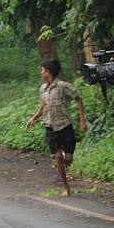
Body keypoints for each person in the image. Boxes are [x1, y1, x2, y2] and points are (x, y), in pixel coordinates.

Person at [25, 58, 87, 197]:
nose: (41, 73)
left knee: (68, 158)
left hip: (65, 126)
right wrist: (33, 118)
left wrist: (82, 120)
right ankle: (66, 187)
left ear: (48, 71)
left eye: (42, 70)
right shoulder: (42, 89)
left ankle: (65, 159)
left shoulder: (64, 86)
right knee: (58, 156)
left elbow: (78, 99)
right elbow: (43, 108)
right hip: (49, 126)